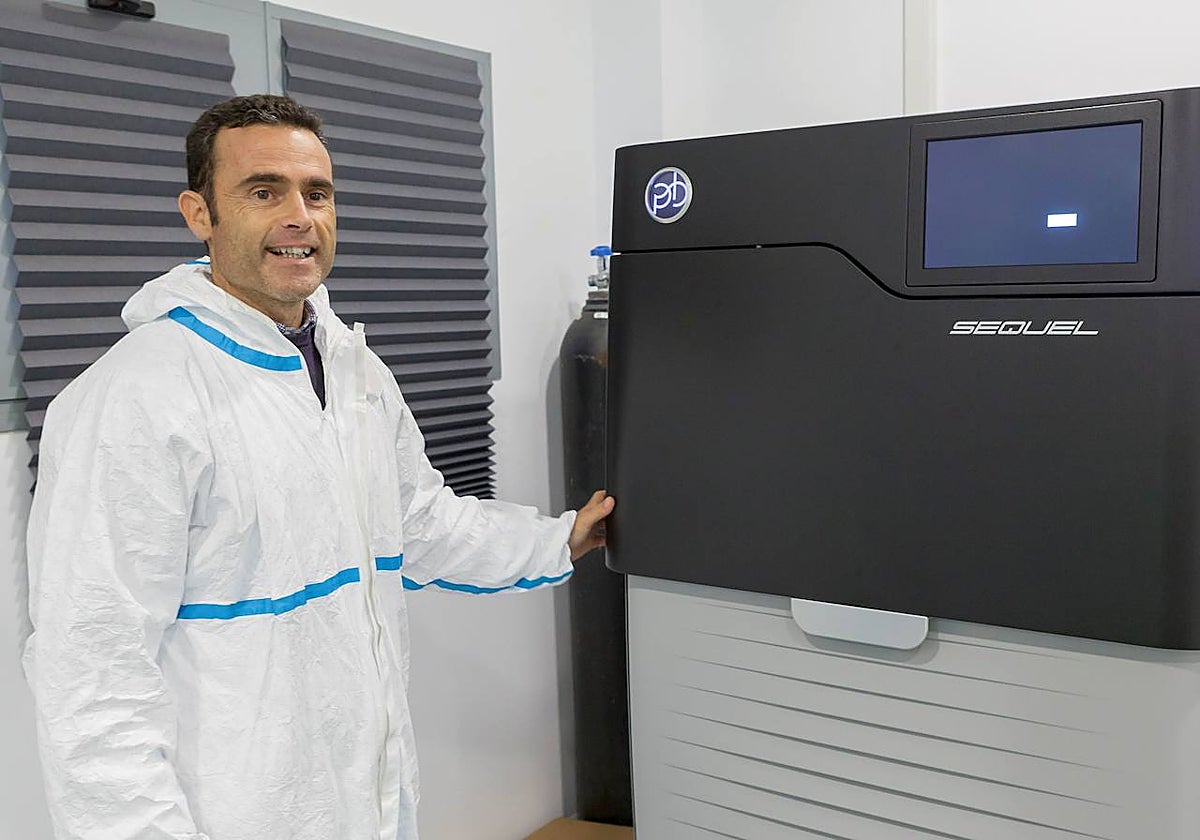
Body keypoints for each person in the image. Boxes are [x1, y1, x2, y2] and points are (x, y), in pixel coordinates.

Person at [22, 94, 615, 840]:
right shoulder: (135, 399)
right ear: (199, 214)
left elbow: (419, 523)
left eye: (317, 193)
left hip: (362, 801)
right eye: (263, 191)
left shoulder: (354, 369)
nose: (300, 216)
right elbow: (93, 678)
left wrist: (560, 539)